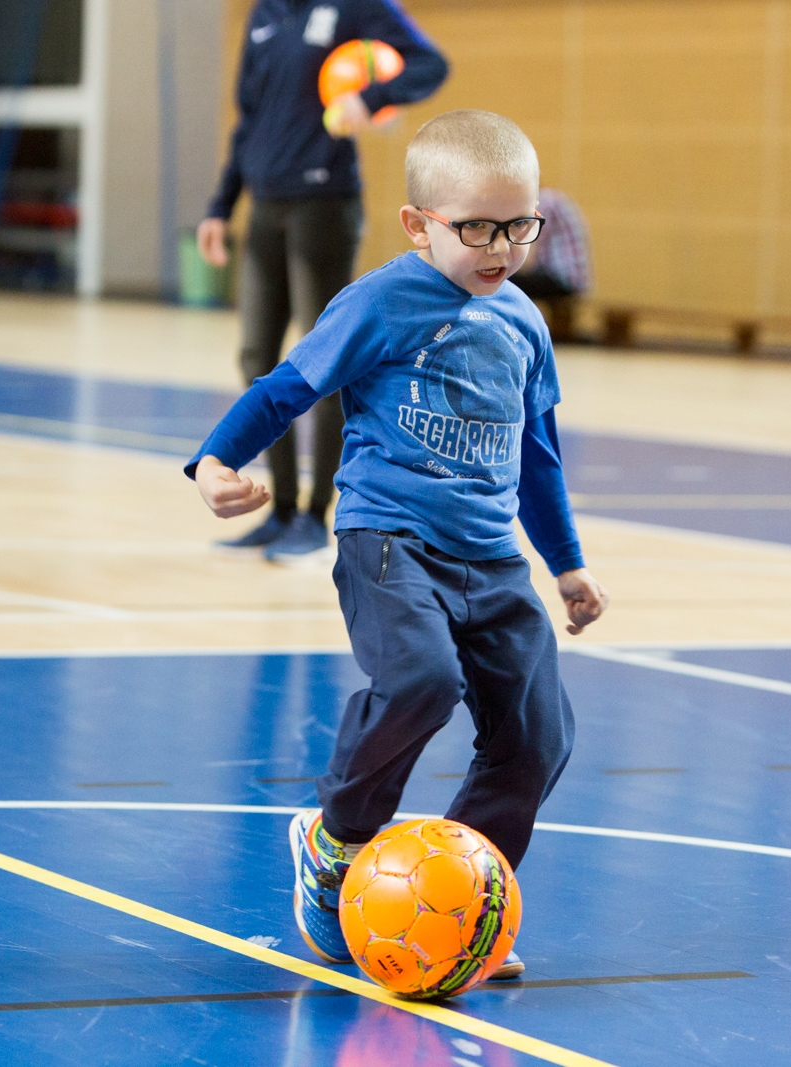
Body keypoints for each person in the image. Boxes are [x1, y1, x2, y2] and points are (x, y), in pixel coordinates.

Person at [187, 110, 609, 979]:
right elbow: (288, 385)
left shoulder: (525, 322)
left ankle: (462, 912)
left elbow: (538, 455)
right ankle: (335, 837)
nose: (501, 246)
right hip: (390, 538)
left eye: (519, 225)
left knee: (536, 736)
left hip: (491, 562)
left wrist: (565, 562)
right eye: (477, 228)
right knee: (422, 681)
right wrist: (215, 460)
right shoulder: (380, 302)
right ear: (420, 225)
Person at [197, 1, 448, 560]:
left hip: (325, 205)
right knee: (257, 356)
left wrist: (371, 97)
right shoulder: (263, 15)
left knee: (326, 360)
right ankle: (280, 509)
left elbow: (429, 64)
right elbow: (249, 120)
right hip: (266, 206)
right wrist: (220, 206)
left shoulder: (355, 6)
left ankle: (317, 515)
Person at [508, 187, 591, 343]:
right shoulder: (556, 199)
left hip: (561, 279)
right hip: (571, 278)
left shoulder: (543, 203)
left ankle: (508, 331)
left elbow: (528, 253)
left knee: (503, 280)